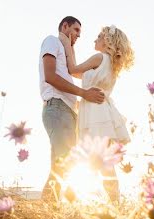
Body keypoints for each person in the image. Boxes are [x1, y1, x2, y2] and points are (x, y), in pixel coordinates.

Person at [61, 24, 134, 202]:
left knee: (93, 158)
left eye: (99, 36)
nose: (95, 39)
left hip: (94, 112)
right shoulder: (111, 64)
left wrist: (68, 43)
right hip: (103, 112)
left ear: (106, 41)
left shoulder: (98, 57)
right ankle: (114, 202)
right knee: (104, 162)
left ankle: (81, 200)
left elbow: (72, 69)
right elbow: (80, 74)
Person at [39, 16, 105, 201]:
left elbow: (72, 70)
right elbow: (50, 76)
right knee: (67, 163)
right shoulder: (52, 41)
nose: (78, 35)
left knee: (58, 168)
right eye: (75, 30)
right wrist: (84, 93)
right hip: (57, 109)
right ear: (65, 26)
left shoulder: (65, 53)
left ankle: (47, 212)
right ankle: (74, 208)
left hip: (68, 113)